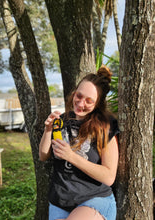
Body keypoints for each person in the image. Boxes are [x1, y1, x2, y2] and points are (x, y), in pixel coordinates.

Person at [39, 65, 119, 220]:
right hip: (60, 202)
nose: (81, 103)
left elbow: (109, 176)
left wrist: (71, 156)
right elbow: (43, 156)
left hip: (94, 200)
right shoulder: (62, 120)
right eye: (79, 96)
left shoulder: (105, 126)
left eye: (89, 101)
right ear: (74, 92)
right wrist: (48, 129)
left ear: (97, 104)